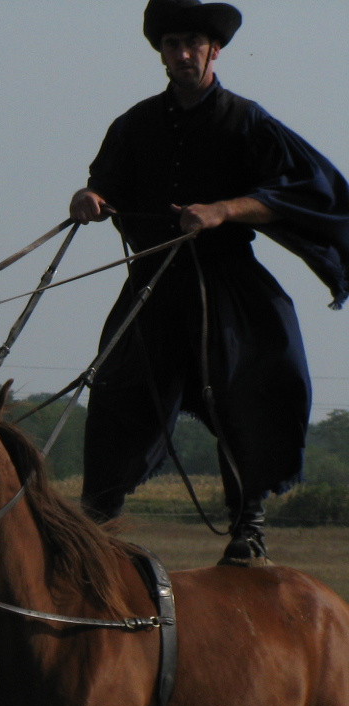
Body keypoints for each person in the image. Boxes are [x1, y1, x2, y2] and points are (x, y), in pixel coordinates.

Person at [69, 0, 349, 564]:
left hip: (226, 285)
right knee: (117, 394)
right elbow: (104, 183)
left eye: (193, 43)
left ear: (214, 49)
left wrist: (225, 209)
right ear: (162, 53)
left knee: (252, 386)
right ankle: (96, 529)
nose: (183, 53)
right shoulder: (135, 123)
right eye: (172, 44)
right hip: (151, 284)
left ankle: (249, 525)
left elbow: (305, 190)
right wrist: (91, 199)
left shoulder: (247, 121)